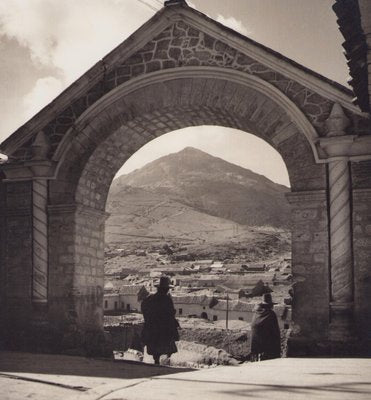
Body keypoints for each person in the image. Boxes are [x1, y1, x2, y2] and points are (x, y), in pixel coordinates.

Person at [141, 276, 179, 365]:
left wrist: (149, 320)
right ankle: (162, 360)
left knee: (154, 344)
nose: (167, 290)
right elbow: (170, 313)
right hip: (163, 327)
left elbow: (144, 307)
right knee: (164, 343)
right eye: (166, 289)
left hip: (152, 327)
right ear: (165, 289)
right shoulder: (167, 299)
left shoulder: (149, 299)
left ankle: (156, 360)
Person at [250, 293, 281, 361]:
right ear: (270, 305)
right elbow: (276, 332)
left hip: (255, 347)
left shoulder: (256, 313)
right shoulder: (271, 314)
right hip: (267, 349)